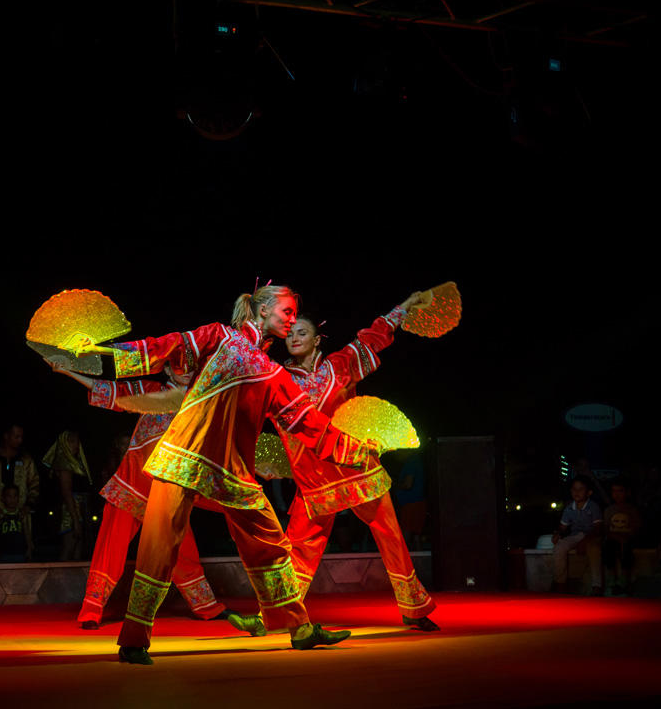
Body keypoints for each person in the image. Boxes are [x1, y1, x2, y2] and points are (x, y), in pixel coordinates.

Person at [71, 284, 374, 664]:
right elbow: (165, 347)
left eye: (295, 315)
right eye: (287, 311)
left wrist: (355, 451)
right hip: (183, 457)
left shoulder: (274, 374)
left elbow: (308, 423)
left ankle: (300, 628)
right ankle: (133, 640)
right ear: (262, 310)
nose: (292, 320)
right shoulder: (219, 338)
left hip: (232, 473)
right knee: (157, 548)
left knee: (271, 544)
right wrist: (101, 351)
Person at [278, 296, 439, 631]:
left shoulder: (340, 364)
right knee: (300, 547)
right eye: (290, 333)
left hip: (355, 466)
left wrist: (404, 307)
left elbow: (373, 337)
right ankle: (282, 612)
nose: (294, 338)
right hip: (314, 476)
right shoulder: (278, 378)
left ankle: (413, 607)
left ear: (317, 339)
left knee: (390, 534)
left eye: (302, 332)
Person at [50, 360, 232, 629]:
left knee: (183, 548)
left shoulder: (202, 402)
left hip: (167, 490)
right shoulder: (151, 391)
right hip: (132, 485)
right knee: (110, 547)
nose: (186, 371)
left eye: (191, 365)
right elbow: (111, 391)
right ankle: (92, 609)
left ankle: (206, 606)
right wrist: (67, 371)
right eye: (179, 365)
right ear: (167, 370)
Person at [0, 424, 39, 560]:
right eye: (16, 436)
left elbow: (35, 484)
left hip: (20, 521)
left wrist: (28, 505)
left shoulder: (26, 460)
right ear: (6, 436)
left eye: (21, 437)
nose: (20, 440)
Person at [43, 430, 93, 561]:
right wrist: (75, 520)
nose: (76, 445)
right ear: (63, 444)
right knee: (68, 549)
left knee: (77, 551)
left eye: (77, 441)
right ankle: (60, 575)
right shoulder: (64, 463)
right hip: (70, 512)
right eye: (71, 442)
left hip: (79, 510)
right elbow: (66, 492)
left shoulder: (76, 463)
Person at [551, 475, 603, 595]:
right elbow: (562, 527)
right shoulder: (569, 508)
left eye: (580, 489)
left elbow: (598, 528)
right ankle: (560, 583)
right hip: (575, 536)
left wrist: (585, 541)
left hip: (592, 536)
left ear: (589, 492)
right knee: (559, 547)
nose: (577, 492)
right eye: (574, 489)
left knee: (594, 550)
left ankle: (596, 585)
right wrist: (557, 534)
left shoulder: (593, 507)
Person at [602, 479, 642, 596]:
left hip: (628, 539)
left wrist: (626, 537)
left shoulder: (632, 510)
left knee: (627, 548)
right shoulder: (609, 510)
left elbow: (636, 528)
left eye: (620, 491)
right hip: (612, 539)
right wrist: (615, 536)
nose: (617, 494)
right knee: (608, 546)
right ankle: (612, 580)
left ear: (627, 492)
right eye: (614, 491)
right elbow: (605, 529)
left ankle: (624, 581)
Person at [0, 484, 33, 563]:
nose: (12, 499)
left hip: (20, 553)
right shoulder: (0, 515)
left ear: (18, 498)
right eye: (9, 496)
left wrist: (29, 549)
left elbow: (27, 533)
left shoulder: (21, 515)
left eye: (15, 496)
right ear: (3, 498)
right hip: (3, 553)